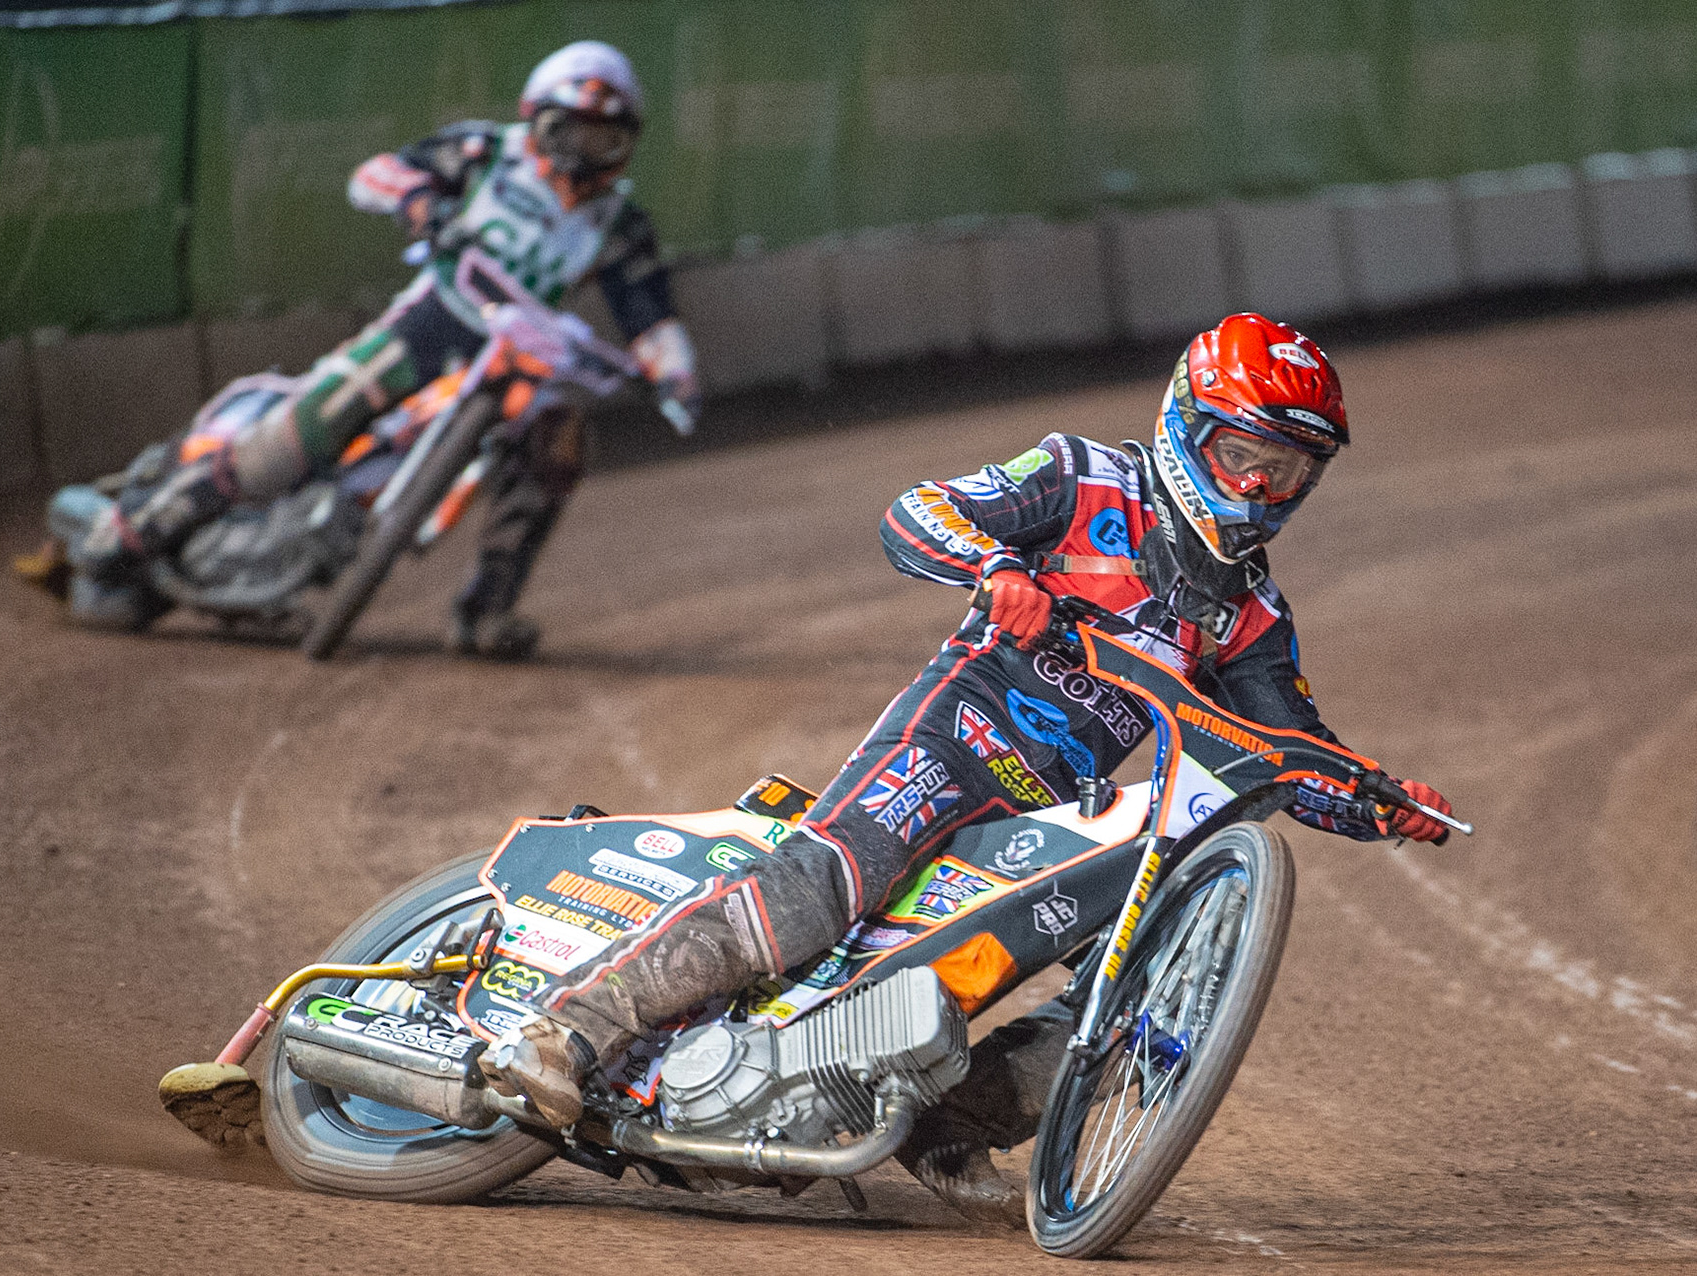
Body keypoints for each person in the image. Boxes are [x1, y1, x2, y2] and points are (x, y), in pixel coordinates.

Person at [479, 313, 1454, 1224]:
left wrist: (1383, 803)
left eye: (1287, 472)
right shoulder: (1083, 480)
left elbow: (1292, 754)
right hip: (952, 741)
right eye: (1242, 456)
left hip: (1058, 813)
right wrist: (997, 570)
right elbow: (918, 513)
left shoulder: (1251, 619)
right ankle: (567, 1029)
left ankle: (950, 1124)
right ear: (1185, 427)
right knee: (830, 883)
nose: (1260, 489)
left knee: (1138, 984)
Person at [72, 40, 700, 658]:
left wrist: (675, 378)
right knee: (315, 423)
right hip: (434, 320)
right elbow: (374, 173)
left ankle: (487, 610)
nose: (583, 156)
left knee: (559, 438)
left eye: (603, 140)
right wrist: (422, 204)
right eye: (570, 132)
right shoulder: (483, 151)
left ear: (626, 143)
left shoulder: (622, 227)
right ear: (535, 117)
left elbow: (651, 316)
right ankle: (136, 532)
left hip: (521, 356)